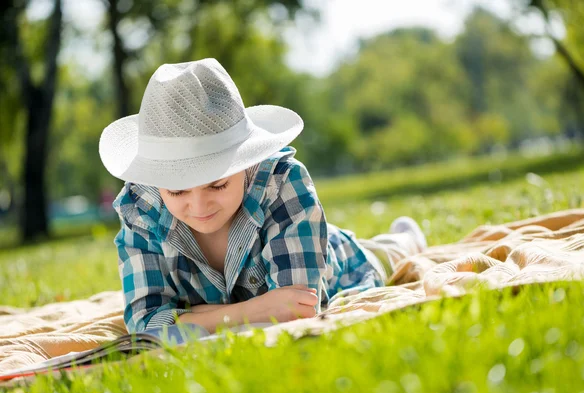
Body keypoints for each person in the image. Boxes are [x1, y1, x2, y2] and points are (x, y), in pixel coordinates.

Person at [99, 58, 427, 334]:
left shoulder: (282, 182)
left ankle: (405, 239)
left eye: (217, 185)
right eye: (177, 191)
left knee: (388, 255)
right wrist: (253, 310)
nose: (199, 206)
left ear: (246, 163)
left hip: (342, 262)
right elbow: (144, 321)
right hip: (270, 278)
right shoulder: (140, 209)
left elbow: (299, 306)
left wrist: (193, 319)